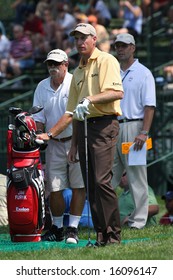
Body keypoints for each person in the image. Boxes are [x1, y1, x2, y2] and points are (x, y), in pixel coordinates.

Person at [66, 23, 124, 246]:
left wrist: (90, 99)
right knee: (90, 184)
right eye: (76, 39)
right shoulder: (77, 72)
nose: (79, 42)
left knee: (101, 180)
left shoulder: (107, 60)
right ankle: (101, 235)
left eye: (83, 38)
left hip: (104, 125)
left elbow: (117, 92)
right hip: (84, 128)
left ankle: (113, 234)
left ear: (94, 40)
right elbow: (74, 113)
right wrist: (73, 146)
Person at [33, 49, 86, 244]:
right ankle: (57, 228)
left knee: (78, 185)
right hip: (53, 144)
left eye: (56, 64)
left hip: (76, 140)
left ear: (66, 64)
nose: (53, 68)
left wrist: (48, 134)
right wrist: (38, 134)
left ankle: (73, 227)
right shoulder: (41, 86)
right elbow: (38, 117)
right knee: (54, 187)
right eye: (50, 64)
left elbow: (71, 116)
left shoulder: (75, 83)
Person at [112, 33, 156, 229]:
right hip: (113, 126)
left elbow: (150, 106)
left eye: (124, 46)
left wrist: (144, 132)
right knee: (108, 175)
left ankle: (138, 222)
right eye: (118, 46)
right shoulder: (112, 72)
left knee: (137, 176)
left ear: (133, 48)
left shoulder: (144, 72)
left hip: (135, 127)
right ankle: (107, 219)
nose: (120, 49)